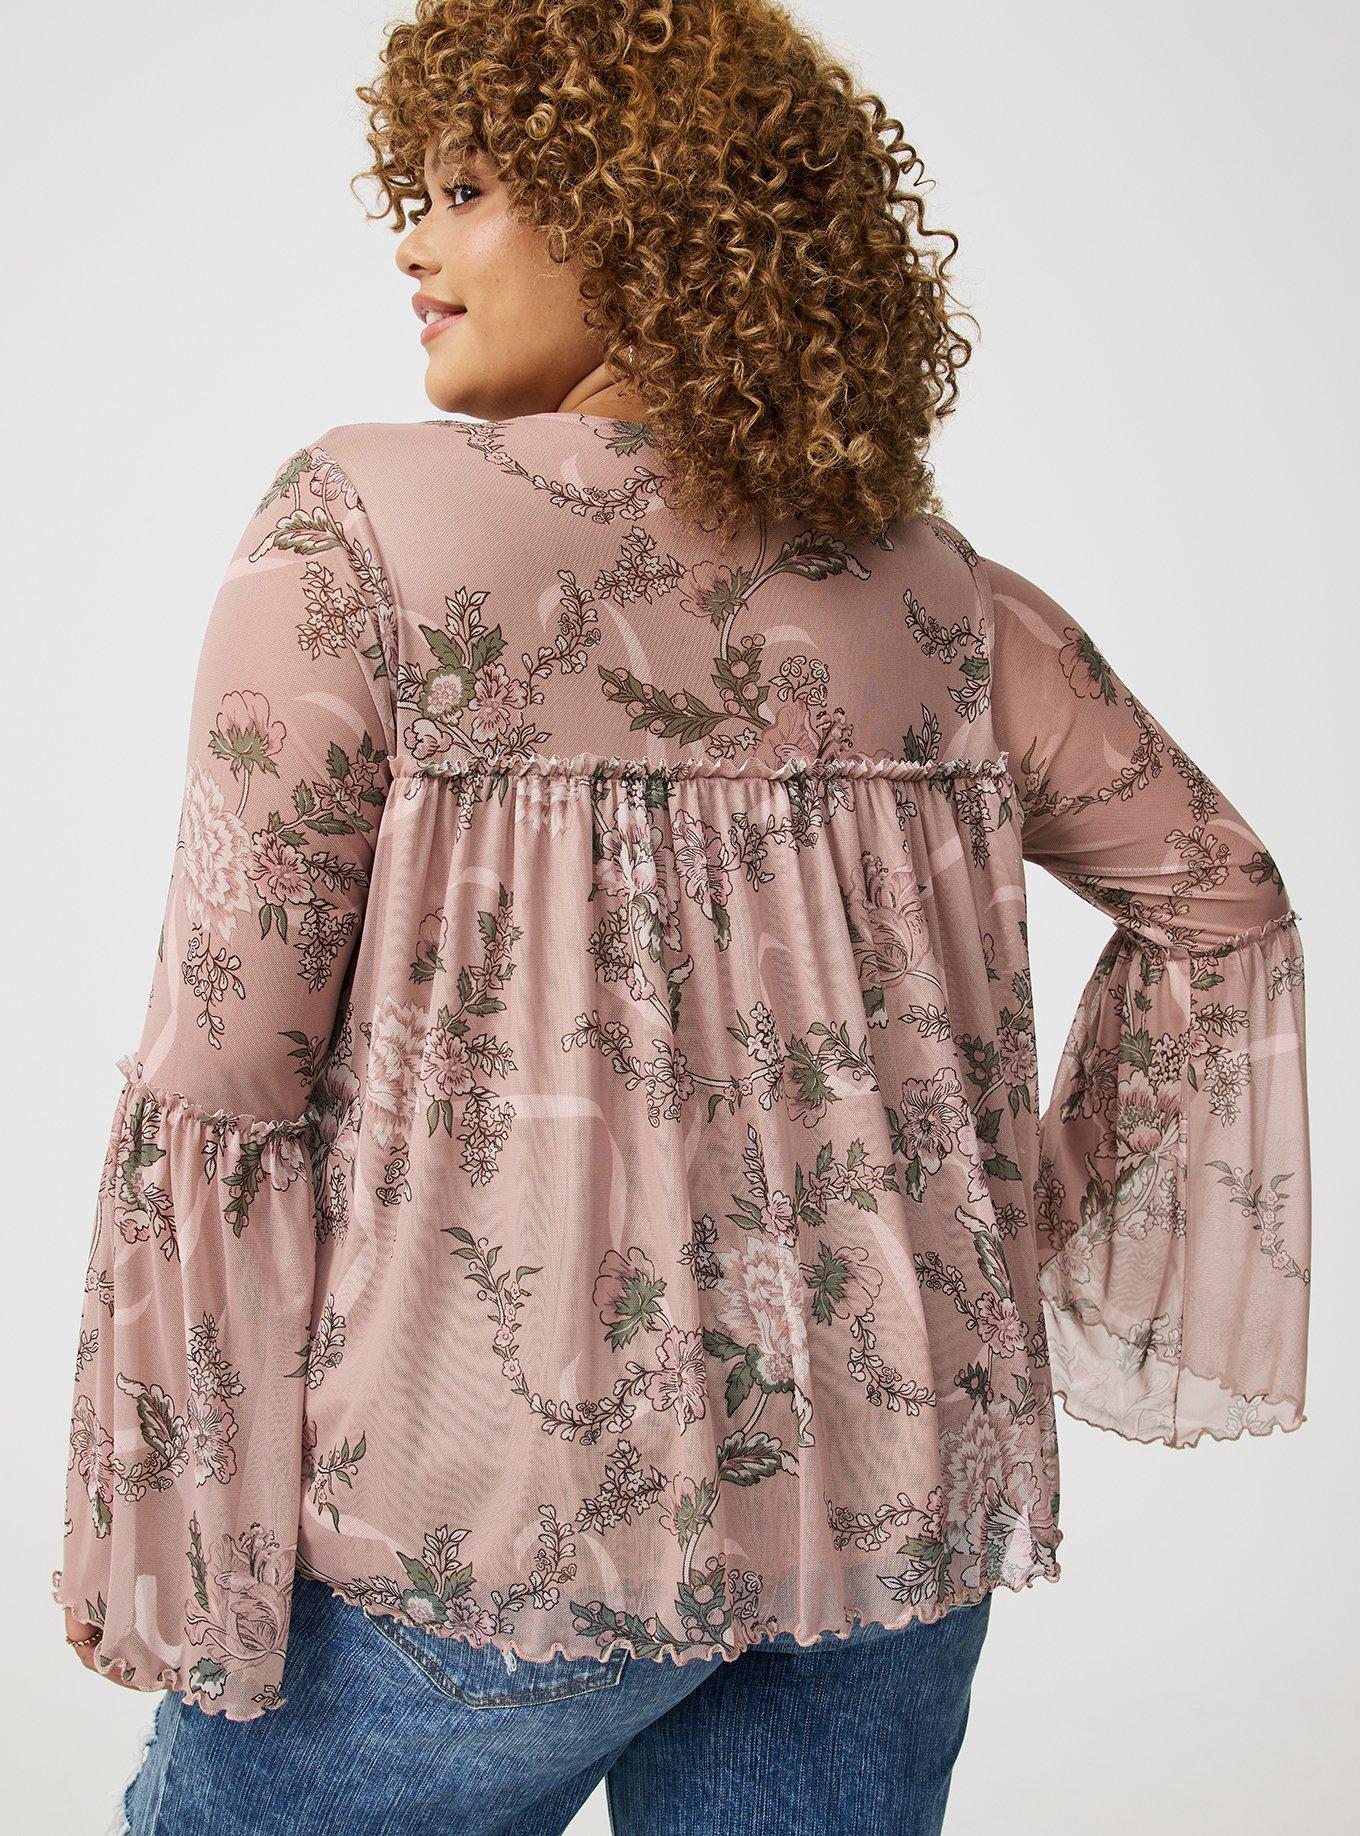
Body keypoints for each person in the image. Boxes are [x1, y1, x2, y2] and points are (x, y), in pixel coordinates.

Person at [54, 3, 1311, 1832]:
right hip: (889, 1500)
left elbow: (229, 1067)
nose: (410, 242)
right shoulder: (943, 595)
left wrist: (168, 1512)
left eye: (466, 189)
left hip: (490, 1520)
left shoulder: (357, 534)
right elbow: (1222, 898)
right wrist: (981, 1233)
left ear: (647, 209)